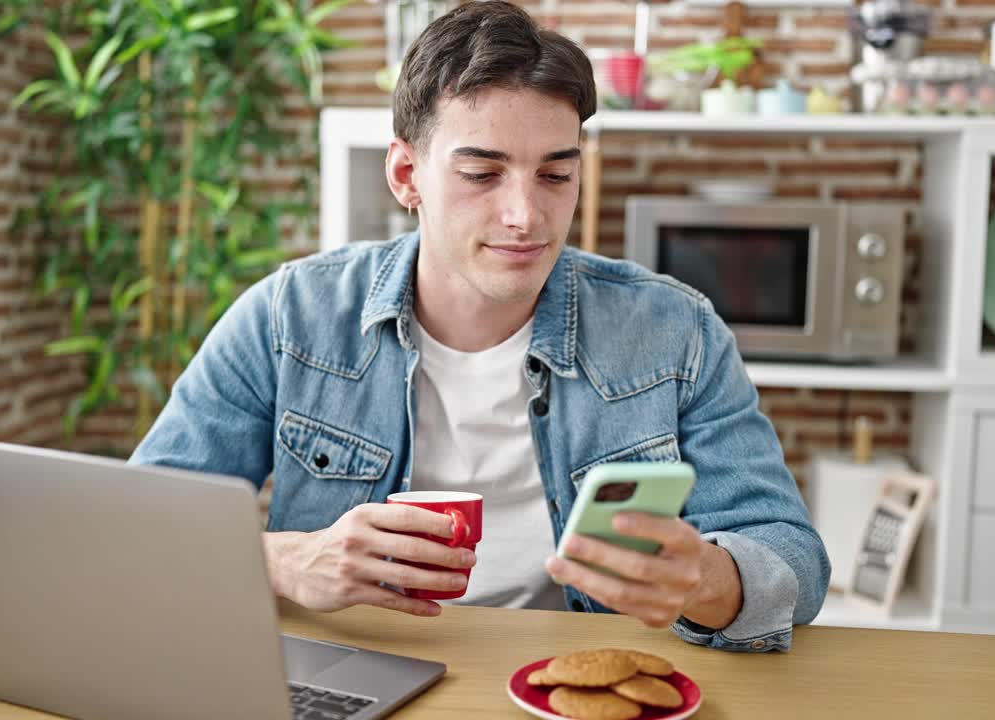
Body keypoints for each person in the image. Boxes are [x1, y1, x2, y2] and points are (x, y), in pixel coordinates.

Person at [131, 1, 828, 652]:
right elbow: (138, 526)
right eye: (481, 174)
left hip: (567, 680)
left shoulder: (675, 331)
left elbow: (792, 558)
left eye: (555, 176)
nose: (525, 216)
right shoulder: (290, 318)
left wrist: (704, 579)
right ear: (407, 175)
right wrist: (281, 559)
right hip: (354, 672)